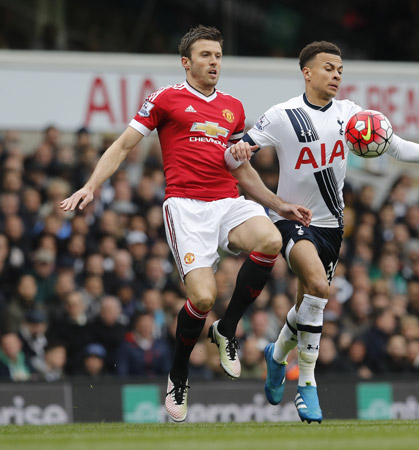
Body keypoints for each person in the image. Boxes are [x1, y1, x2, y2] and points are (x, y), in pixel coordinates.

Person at [60, 25, 311, 423]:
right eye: (206, 55)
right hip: (187, 208)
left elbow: (242, 171)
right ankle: (179, 375)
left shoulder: (233, 107)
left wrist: (279, 203)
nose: (214, 62)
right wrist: (92, 185)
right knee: (204, 298)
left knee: (269, 240)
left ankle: (226, 331)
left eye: (218, 55)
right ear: (186, 62)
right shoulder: (166, 99)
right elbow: (124, 144)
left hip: (228, 200)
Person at [226, 41, 419, 423]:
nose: (336, 75)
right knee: (319, 285)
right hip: (293, 219)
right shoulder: (282, 115)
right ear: (307, 72)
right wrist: (241, 153)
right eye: (328, 68)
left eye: (340, 70)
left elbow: (395, 147)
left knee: (307, 305)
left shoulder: (352, 116)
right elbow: (234, 155)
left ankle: (277, 354)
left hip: (332, 227)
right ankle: (308, 384)